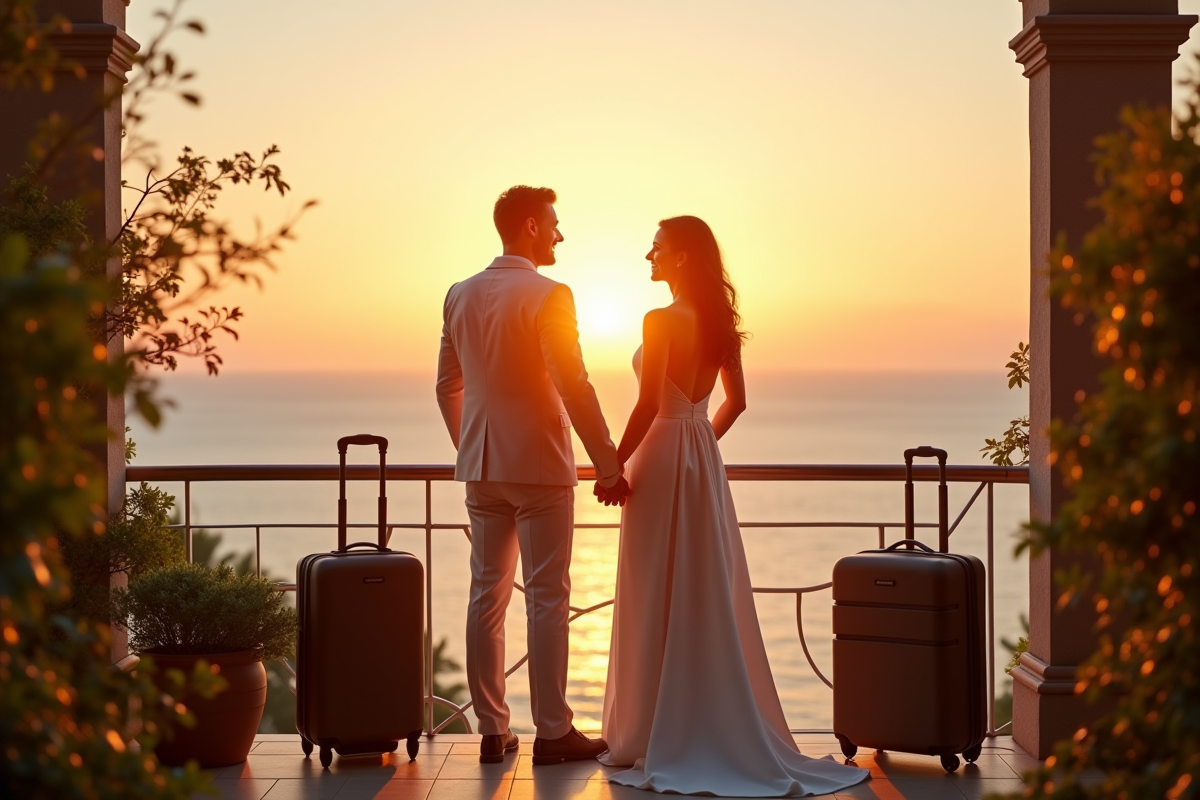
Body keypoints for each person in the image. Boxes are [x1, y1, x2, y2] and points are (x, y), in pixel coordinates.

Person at [596, 216, 869, 796]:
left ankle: (644, 733)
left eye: (659, 247)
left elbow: (648, 404)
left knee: (652, 589)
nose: (649, 254)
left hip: (661, 454)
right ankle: (692, 722)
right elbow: (737, 403)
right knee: (700, 586)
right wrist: (698, 440)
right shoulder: (722, 325)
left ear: (684, 258)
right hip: (699, 460)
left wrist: (613, 464)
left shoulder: (661, 319)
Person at [436, 185, 631, 765]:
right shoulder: (550, 294)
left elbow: (448, 385)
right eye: (552, 224)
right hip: (542, 468)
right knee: (547, 598)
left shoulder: (458, 294)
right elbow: (572, 381)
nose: (559, 234)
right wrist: (608, 459)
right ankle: (552, 731)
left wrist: (472, 446)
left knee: (484, 598)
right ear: (528, 226)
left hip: (481, 470)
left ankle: (492, 730)